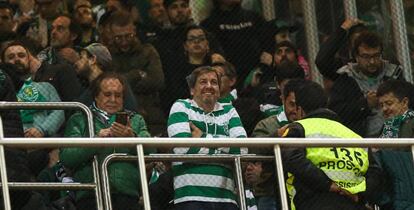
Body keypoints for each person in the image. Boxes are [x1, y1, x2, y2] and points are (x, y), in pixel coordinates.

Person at [281, 80, 383, 210]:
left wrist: (329, 185)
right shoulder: (354, 135)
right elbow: (375, 173)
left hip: (314, 202)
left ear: (300, 109)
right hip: (354, 203)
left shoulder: (298, 128)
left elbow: (291, 157)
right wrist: (359, 196)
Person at [61, 72, 151, 210]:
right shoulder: (79, 118)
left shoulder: (135, 119)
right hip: (89, 194)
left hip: (127, 194)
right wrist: (97, 141)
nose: (113, 99)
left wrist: (131, 138)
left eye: (118, 95)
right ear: (96, 96)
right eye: (107, 94)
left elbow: (151, 152)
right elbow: (67, 156)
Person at [167, 66, 247, 210]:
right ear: (192, 90)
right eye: (203, 82)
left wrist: (204, 137)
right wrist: (225, 154)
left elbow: (242, 150)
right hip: (190, 197)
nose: (209, 86)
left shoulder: (229, 111)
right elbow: (183, 149)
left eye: (214, 82)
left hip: (226, 198)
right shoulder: (181, 107)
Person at [329, 31, 404, 137]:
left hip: (396, 137)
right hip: (361, 141)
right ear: (356, 56)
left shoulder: (394, 74)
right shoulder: (345, 78)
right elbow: (336, 113)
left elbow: (409, 102)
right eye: (366, 56)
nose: (372, 61)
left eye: (376, 56)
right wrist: (365, 105)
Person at [109, 11, 165, 136]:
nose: (124, 41)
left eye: (128, 36)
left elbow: (158, 81)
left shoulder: (148, 51)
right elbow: (109, 85)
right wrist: (136, 74)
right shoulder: (108, 55)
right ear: (111, 34)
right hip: (118, 114)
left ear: (134, 30)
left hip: (150, 112)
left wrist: (123, 82)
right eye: (118, 37)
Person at [201, 0, 271, 89]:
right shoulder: (209, 23)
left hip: (255, 74)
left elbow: (268, 39)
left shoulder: (253, 17)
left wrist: (267, 55)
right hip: (226, 77)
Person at [375, 79, 414, 209]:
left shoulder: (412, 123)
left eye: (389, 103)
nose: (384, 109)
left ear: (404, 102)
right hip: (392, 192)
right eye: (381, 105)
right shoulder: (386, 128)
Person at [74, 42, 138, 111]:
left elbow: (131, 111)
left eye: (81, 58)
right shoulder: (84, 85)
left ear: (92, 59)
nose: (76, 63)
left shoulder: (118, 83)